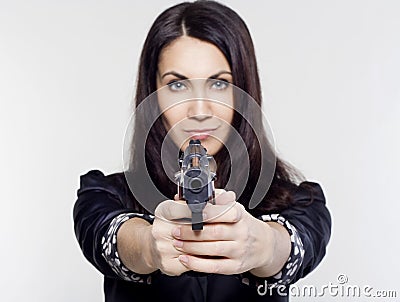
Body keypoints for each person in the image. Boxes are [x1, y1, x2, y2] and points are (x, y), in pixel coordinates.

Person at [73, 1, 331, 301]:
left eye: (219, 84)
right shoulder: (104, 194)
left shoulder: (300, 202)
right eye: (178, 85)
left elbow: (296, 244)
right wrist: (149, 245)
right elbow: (107, 235)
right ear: (152, 93)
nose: (199, 110)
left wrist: (260, 244)